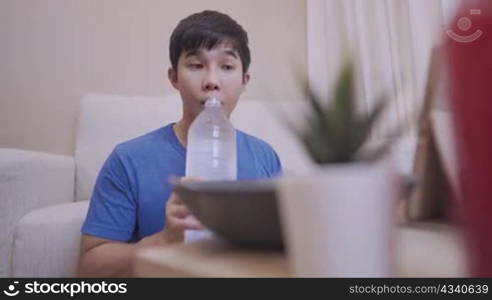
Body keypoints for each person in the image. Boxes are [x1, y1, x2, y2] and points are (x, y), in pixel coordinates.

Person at [77, 10, 283, 277]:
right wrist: (165, 240)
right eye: (196, 65)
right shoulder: (129, 159)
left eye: (227, 67)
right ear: (174, 77)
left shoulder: (265, 157)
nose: (211, 81)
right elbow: (87, 270)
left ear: (245, 81)